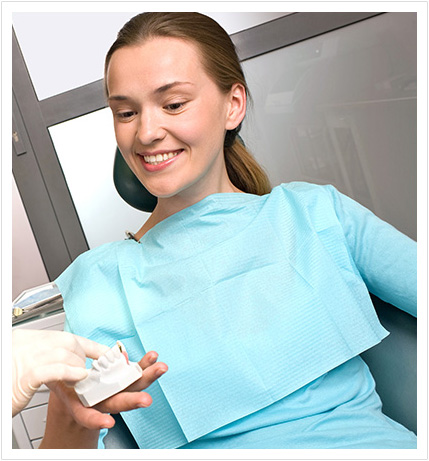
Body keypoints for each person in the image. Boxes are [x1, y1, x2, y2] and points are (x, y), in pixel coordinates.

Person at [40, 12, 417, 449]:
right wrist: (67, 410)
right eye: (126, 112)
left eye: (173, 104)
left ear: (233, 105)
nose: (146, 132)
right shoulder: (97, 285)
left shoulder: (313, 214)